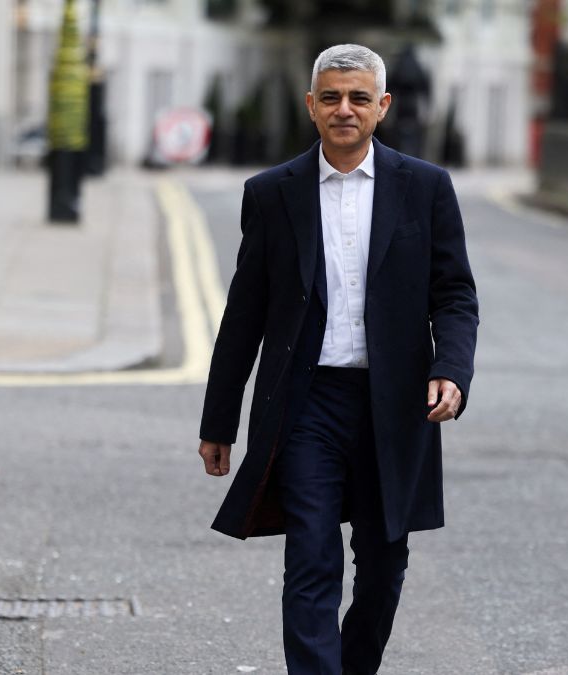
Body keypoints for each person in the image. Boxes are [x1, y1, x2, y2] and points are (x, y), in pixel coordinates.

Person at [196, 43, 479, 675]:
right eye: (331, 97)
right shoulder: (271, 193)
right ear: (311, 106)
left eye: (357, 98)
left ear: (382, 106)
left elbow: (455, 293)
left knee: (382, 565)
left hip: (394, 406)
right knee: (312, 556)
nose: (344, 109)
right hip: (306, 404)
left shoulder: (425, 188)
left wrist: (451, 371)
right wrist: (219, 423)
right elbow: (244, 314)